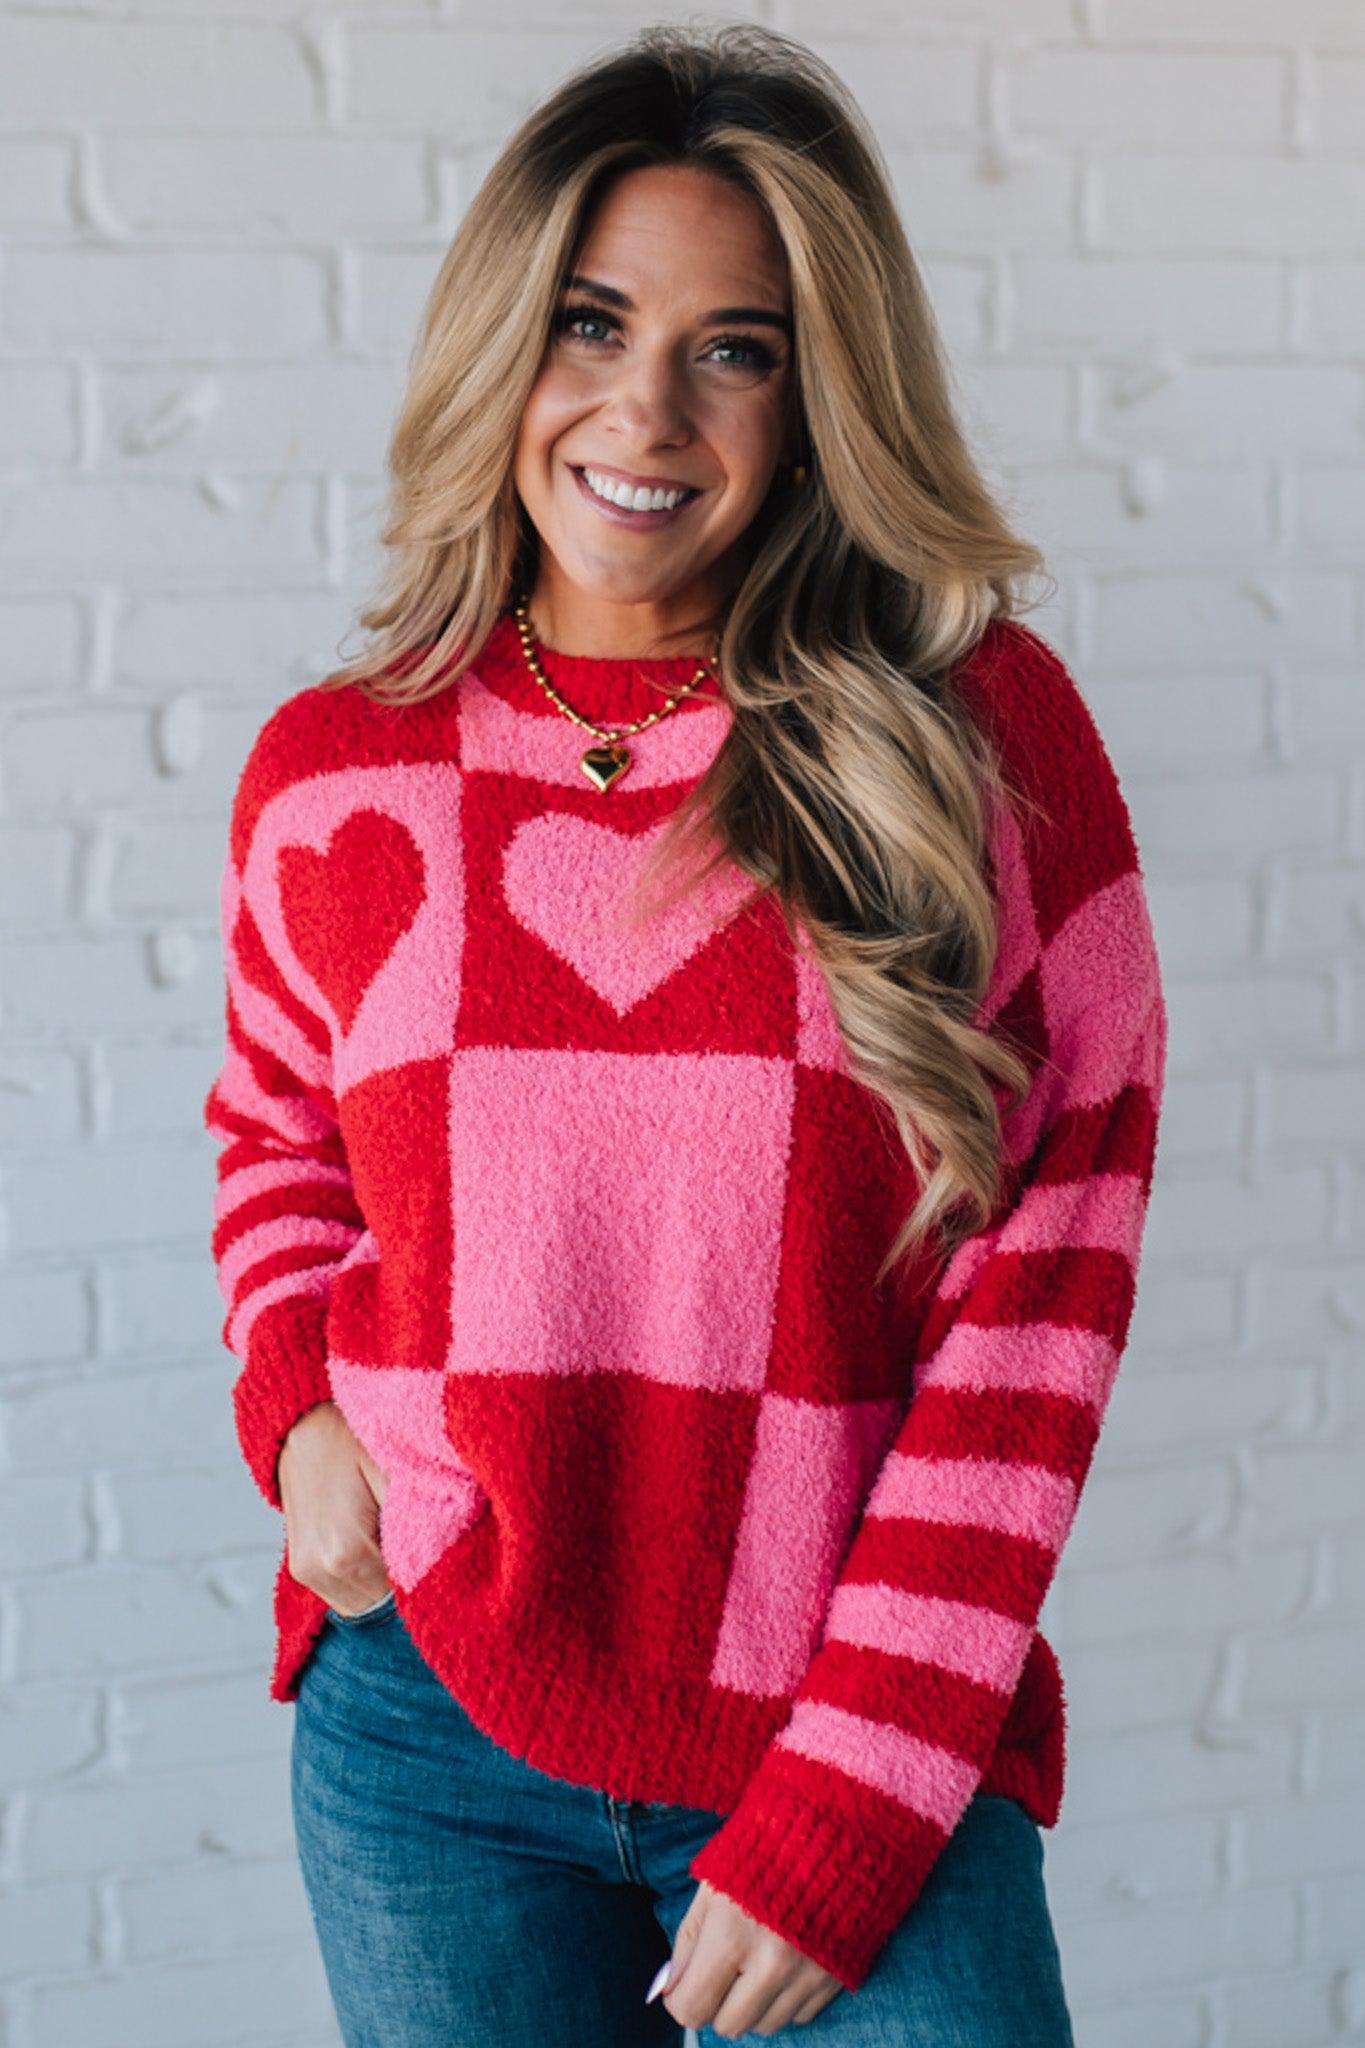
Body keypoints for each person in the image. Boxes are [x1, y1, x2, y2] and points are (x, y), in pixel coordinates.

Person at [203, 22, 1167, 2046]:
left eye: (734, 344)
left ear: (819, 392)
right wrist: (295, 1405)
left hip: (857, 1734)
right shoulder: (338, 771)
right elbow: (275, 1133)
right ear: (502, 339)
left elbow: (1038, 1308)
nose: (646, 405)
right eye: (589, 320)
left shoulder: (980, 748)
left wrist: (850, 1799)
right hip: (429, 1736)